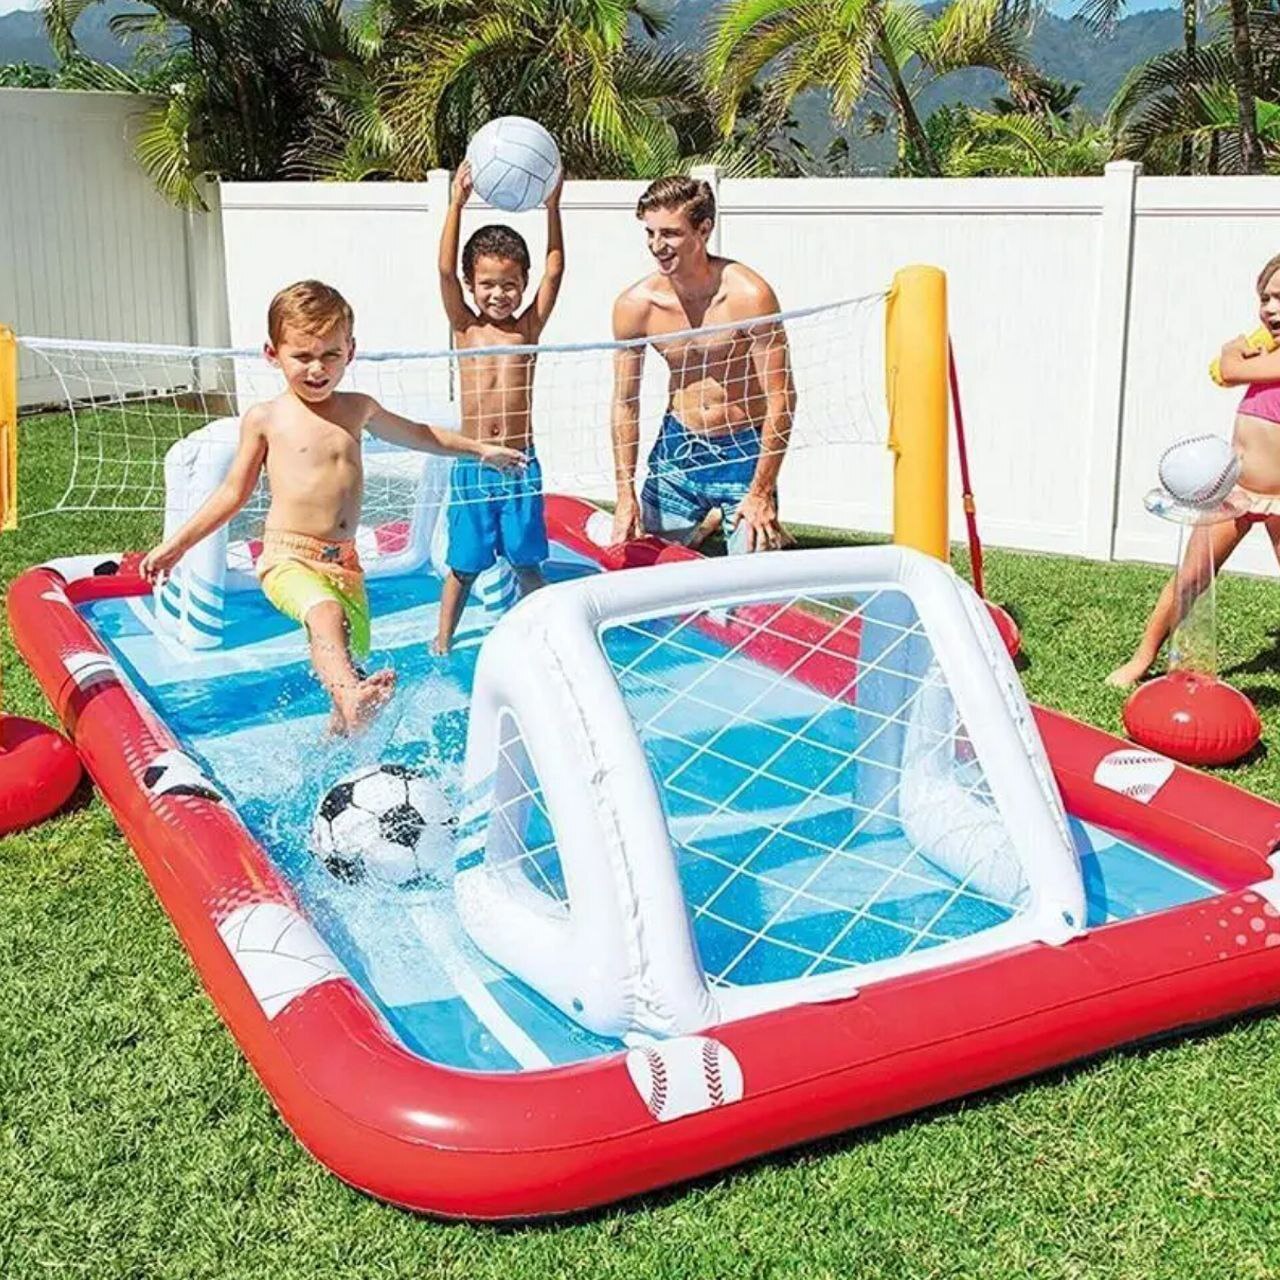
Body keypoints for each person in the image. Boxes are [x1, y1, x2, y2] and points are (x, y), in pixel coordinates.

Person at [139, 280, 524, 733]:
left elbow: (421, 435)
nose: (317, 368)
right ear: (272, 354)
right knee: (327, 617)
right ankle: (351, 697)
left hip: (346, 564)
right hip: (288, 557)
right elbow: (232, 493)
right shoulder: (267, 418)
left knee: (347, 669)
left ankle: (336, 738)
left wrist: (480, 450)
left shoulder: (358, 409)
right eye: (302, 356)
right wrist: (176, 546)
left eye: (330, 355)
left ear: (350, 351)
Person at [1108, 253, 1280, 687]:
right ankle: (1142, 658)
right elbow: (1221, 373)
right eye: (1265, 298)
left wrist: (1235, 346)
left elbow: (1229, 368)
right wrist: (1247, 345)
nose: (1271, 309)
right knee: (1190, 577)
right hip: (1237, 488)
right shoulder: (1269, 351)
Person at [610, 175, 796, 554]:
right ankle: (703, 523)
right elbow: (625, 402)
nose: (657, 246)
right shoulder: (636, 306)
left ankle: (723, 522)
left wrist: (761, 492)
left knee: (754, 579)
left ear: (704, 229)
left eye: (670, 234)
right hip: (679, 450)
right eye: (650, 233)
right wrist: (624, 493)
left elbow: (783, 398)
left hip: (744, 451)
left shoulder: (749, 297)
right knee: (647, 566)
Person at [434, 161, 564, 654]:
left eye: (509, 284)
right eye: (487, 283)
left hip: (519, 465)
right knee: (463, 568)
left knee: (527, 563)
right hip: (474, 465)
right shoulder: (464, 327)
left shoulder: (527, 329)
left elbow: (555, 270)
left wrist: (553, 207)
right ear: (471, 284)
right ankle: (441, 643)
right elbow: (444, 270)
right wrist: (456, 203)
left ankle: (552, 638)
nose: (498, 293)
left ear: (523, 283)